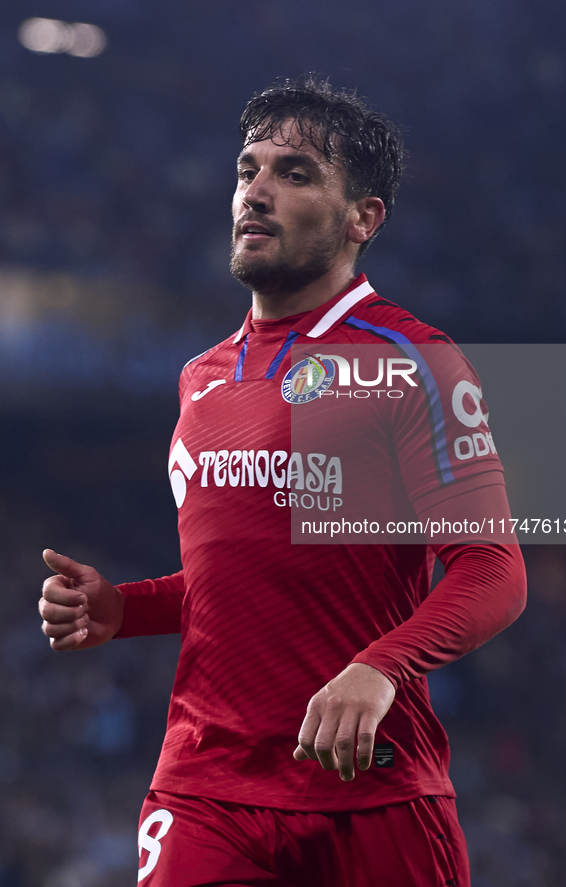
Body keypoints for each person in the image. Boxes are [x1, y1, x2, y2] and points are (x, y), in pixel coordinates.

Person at [39, 77, 527, 887]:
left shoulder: (408, 359)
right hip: (205, 791)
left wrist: (382, 665)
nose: (256, 191)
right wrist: (124, 609)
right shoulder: (203, 377)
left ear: (361, 218)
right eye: (246, 169)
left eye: (295, 173)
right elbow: (241, 583)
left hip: (368, 791)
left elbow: (493, 568)